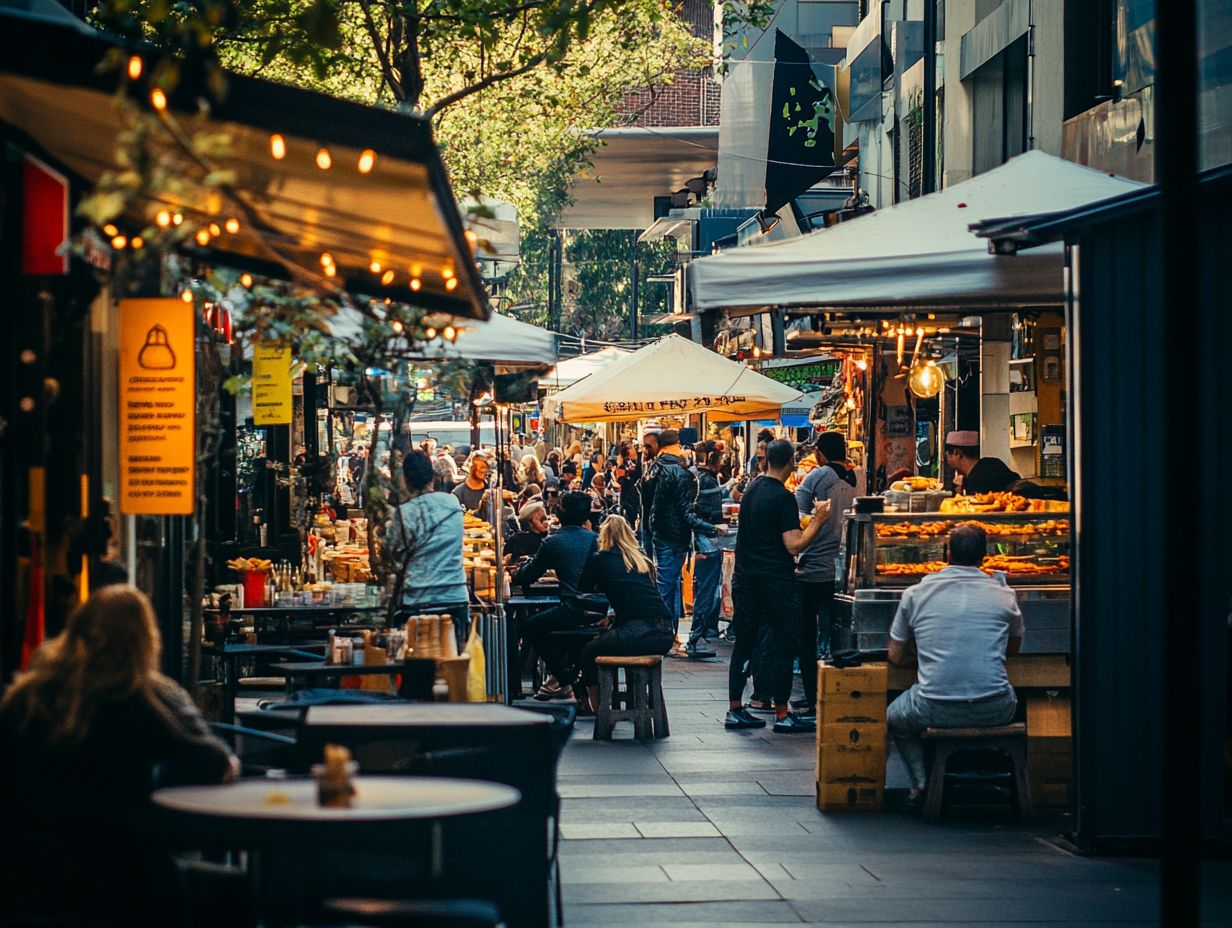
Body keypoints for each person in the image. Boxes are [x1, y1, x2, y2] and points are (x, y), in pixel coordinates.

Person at [0, 586, 237, 923]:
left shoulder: (27, 697)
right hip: (124, 882)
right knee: (234, 892)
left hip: (26, 883)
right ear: (146, 641)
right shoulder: (143, 699)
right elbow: (218, 764)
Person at [887, 522, 1024, 807]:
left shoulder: (916, 594)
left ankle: (920, 784)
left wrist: (925, 653)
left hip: (932, 707)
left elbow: (895, 656)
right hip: (997, 708)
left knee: (895, 718)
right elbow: (1012, 650)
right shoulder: (1005, 595)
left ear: (946, 553)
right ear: (984, 557)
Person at [725, 439, 830, 734]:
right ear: (791, 463)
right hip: (776, 582)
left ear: (765, 461)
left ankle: (735, 708)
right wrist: (819, 520)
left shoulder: (752, 490)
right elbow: (793, 544)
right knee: (784, 643)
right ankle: (782, 714)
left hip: (745, 580)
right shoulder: (783, 498)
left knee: (744, 642)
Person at [575, 515, 675, 713]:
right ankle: (637, 700)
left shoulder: (600, 558)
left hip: (637, 633)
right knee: (609, 641)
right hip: (664, 633)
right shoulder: (640, 559)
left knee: (589, 652)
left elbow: (583, 588)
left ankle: (599, 708)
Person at [512, 492, 602, 701]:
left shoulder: (553, 542)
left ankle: (564, 679)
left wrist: (515, 572)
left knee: (529, 627)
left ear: (560, 514)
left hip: (573, 608)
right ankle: (564, 678)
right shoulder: (595, 539)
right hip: (597, 608)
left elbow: (527, 575)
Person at [792, 431, 859, 714]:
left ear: (820, 453)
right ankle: (841, 697)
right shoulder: (860, 477)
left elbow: (797, 508)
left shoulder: (818, 476)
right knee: (841, 636)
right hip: (845, 573)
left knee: (806, 637)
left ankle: (812, 696)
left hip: (813, 569)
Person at [386, 451, 469, 644]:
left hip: (417, 600)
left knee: (419, 663)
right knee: (454, 663)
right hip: (455, 597)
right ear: (432, 476)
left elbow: (390, 552)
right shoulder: (453, 503)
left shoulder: (404, 513)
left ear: (406, 480)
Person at [644, 429, 701, 657]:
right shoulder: (676, 470)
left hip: (660, 532)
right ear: (676, 444)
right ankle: (665, 636)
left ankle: (670, 635)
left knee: (670, 584)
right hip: (672, 534)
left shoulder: (654, 468)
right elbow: (684, 510)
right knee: (667, 585)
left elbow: (650, 502)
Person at [685, 441, 728, 658]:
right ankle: (696, 638)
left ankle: (699, 635)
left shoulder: (695, 477)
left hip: (701, 542)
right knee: (705, 591)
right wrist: (714, 527)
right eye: (719, 458)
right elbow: (699, 513)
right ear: (712, 457)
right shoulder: (705, 479)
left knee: (704, 590)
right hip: (706, 543)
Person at [944, 430, 1021, 494]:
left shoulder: (976, 483)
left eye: (947, 456)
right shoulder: (993, 463)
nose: (947, 460)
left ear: (957, 453)